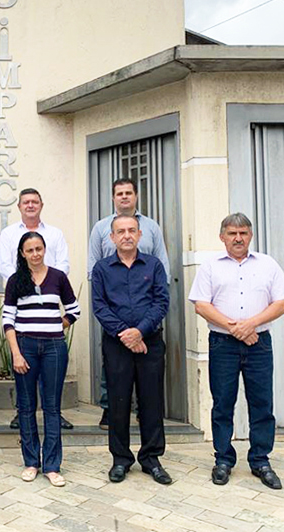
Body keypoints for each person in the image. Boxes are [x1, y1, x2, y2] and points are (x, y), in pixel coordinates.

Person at [188, 213, 284, 490]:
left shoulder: (267, 264)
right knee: (223, 403)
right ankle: (223, 459)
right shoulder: (211, 266)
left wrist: (250, 325)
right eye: (232, 233)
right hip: (222, 344)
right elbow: (201, 305)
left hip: (259, 344)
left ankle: (260, 460)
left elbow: (281, 303)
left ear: (251, 235)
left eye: (243, 233)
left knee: (262, 403)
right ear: (222, 236)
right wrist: (235, 328)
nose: (238, 238)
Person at [91, 215, 171, 485]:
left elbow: (161, 302)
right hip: (116, 345)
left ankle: (151, 459)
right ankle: (120, 459)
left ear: (139, 235)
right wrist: (126, 334)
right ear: (112, 237)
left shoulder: (154, 265)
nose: (126, 235)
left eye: (131, 230)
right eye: (121, 231)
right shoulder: (102, 269)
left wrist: (140, 332)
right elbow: (100, 306)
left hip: (150, 343)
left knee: (152, 402)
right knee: (118, 403)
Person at [88, 178, 170, 430]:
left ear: (135, 196)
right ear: (113, 198)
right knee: (113, 373)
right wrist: (125, 332)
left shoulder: (152, 227)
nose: (124, 197)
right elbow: (94, 269)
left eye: (128, 192)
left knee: (149, 387)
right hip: (115, 317)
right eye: (119, 193)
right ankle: (109, 408)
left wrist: (140, 331)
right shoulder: (101, 228)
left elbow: (162, 269)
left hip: (147, 319)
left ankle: (143, 415)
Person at [3, 232, 80, 487]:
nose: (35, 254)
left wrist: (57, 326)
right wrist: (16, 353)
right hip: (24, 346)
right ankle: (31, 462)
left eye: (39, 248)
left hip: (54, 348)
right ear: (22, 254)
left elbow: (74, 310)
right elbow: (8, 320)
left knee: (52, 407)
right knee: (26, 407)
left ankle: (52, 465)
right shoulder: (16, 280)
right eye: (30, 250)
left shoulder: (58, 277)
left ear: (45, 249)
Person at [0, 187, 73, 430]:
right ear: (19, 206)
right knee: (24, 365)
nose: (30, 205)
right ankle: (21, 412)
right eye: (26, 202)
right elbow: (5, 265)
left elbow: (63, 264)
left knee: (51, 372)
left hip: (50, 298)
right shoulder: (9, 234)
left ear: (41, 205)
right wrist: (25, 282)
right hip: (21, 299)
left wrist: (48, 280)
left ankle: (54, 414)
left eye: (34, 202)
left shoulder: (55, 234)